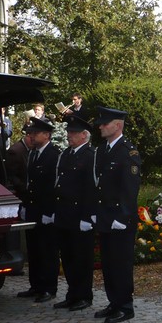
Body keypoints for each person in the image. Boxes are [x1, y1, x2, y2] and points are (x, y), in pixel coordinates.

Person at [93, 106, 141, 323]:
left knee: (121, 264)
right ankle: (114, 302)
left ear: (118, 125)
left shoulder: (128, 152)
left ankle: (125, 306)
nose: (101, 126)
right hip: (105, 216)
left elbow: (130, 189)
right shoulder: (103, 150)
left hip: (120, 219)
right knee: (109, 263)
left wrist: (123, 217)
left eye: (105, 123)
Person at [52, 115, 97, 312]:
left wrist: (88, 217)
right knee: (68, 257)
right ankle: (72, 294)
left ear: (84, 136)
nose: (69, 135)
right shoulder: (66, 154)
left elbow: (92, 189)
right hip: (64, 214)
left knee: (82, 258)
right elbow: (58, 184)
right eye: (68, 132)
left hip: (80, 216)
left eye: (73, 133)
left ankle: (84, 295)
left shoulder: (90, 155)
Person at [17, 117, 61, 303]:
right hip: (34, 209)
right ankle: (36, 285)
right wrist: (25, 206)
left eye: (36, 133)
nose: (32, 136)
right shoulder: (33, 154)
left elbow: (54, 186)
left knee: (47, 250)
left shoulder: (53, 154)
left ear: (47, 135)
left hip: (46, 211)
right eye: (31, 133)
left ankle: (49, 287)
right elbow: (30, 184)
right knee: (34, 249)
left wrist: (50, 212)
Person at [5, 123, 35, 201]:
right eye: (32, 138)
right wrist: (24, 188)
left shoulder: (31, 149)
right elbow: (11, 175)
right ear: (27, 136)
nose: (34, 141)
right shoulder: (15, 151)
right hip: (20, 194)